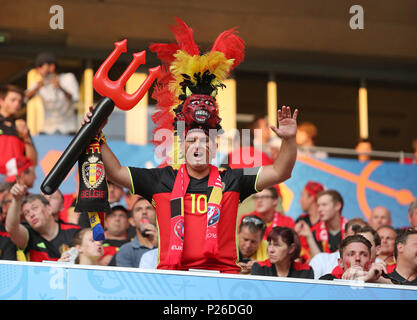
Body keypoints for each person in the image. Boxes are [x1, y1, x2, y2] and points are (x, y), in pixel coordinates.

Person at [82, 18, 298, 273]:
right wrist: (97, 134)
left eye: (205, 141)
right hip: (173, 281)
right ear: (182, 147)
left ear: (214, 148)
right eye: (192, 140)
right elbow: (115, 172)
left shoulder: (234, 178)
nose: (198, 145)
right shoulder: (161, 179)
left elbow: (281, 171)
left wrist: (289, 139)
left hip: (222, 280)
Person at [6, 187, 80, 262]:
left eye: (34, 208)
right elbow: (11, 228)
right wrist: (16, 200)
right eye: (26, 213)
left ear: (49, 209)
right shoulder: (28, 235)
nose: (31, 214)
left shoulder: (74, 231)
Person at [25, 52, 79, 135]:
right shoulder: (39, 84)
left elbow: (74, 98)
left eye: (40, 67)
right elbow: (23, 98)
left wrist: (60, 87)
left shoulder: (68, 78)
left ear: (52, 67)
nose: (38, 70)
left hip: (68, 129)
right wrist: (37, 88)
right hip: (47, 129)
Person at [295, 189, 348, 260]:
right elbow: (317, 262)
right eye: (318, 205)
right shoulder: (315, 232)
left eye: (324, 205)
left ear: (337, 206)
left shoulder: (351, 230)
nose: (319, 209)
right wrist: (309, 237)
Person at [0, 85, 38, 181]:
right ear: (1, 101)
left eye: (19, 101)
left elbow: (32, 161)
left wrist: (26, 136)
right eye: (13, 100)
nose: (17, 104)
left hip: (15, 183)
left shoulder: (21, 126)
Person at [319, 234, 386, 282]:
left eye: (363, 254)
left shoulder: (377, 277)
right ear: (341, 263)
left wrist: (368, 277)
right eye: (351, 254)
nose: (357, 258)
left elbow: (395, 285)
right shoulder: (327, 281)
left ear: (370, 263)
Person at [116, 197, 158, 268]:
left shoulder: (169, 247)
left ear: (157, 217)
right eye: (139, 209)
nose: (144, 212)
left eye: (149, 208)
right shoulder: (126, 250)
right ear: (132, 221)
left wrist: (159, 247)